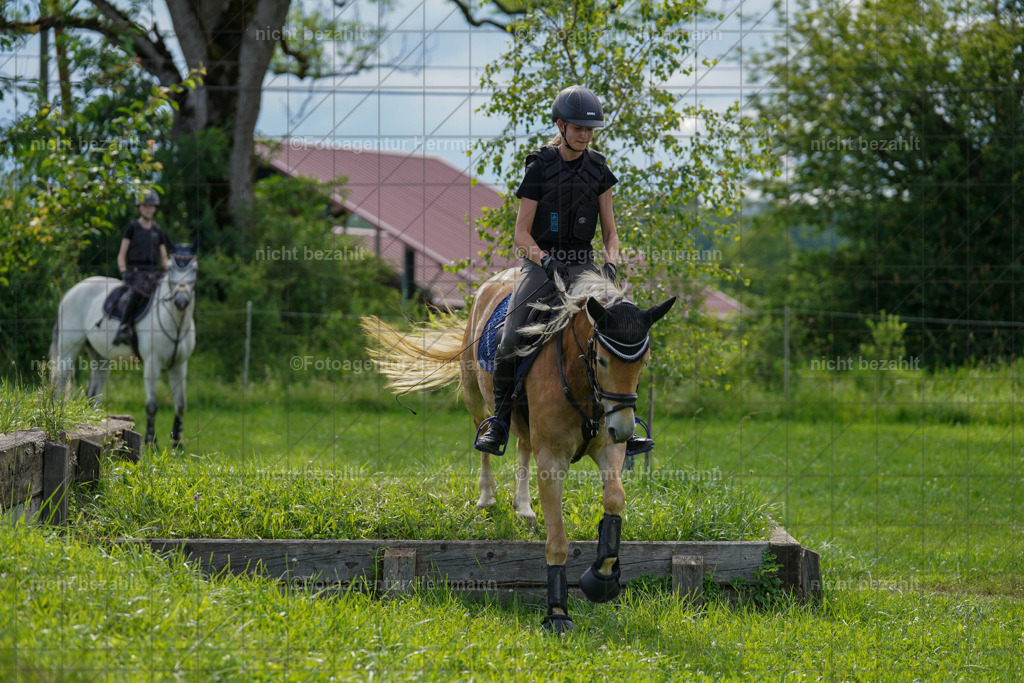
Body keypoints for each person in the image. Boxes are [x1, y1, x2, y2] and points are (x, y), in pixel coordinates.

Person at [475, 84, 654, 456]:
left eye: (590, 129)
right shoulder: (539, 166)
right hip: (541, 266)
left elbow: (610, 233)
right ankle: (501, 421)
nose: (585, 134)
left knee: (624, 331)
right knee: (510, 339)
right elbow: (521, 235)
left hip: (585, 268)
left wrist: (610, 263)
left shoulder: (599, 168)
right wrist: (544, 260)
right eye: (577, 128)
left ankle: (627, 423)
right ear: (560, 125)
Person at [112, 191, 174, 346]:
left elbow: (164, 258)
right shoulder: (132, 227)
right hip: (136, 272)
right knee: (137, 293)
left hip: (154, 272)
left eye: (151, 207)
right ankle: (123, 328)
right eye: (145, 206)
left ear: (155, 209)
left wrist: (172, 270)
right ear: (139, 208)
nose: (148, 209)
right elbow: (121, 255)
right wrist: (123, 272)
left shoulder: (158, 230)